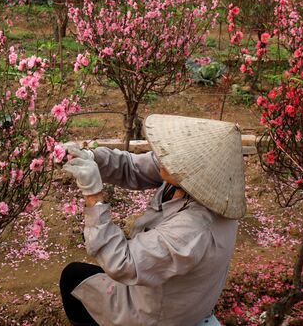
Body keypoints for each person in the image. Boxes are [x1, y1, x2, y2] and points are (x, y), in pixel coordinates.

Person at [60, 114, 246, 326]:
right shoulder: (194, 181)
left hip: (159, 314)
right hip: (177, 291)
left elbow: (123, 264)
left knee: (72, 278)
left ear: (196, 170)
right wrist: (92, 158)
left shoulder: (194, 229)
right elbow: (133, 167)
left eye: (171, 156)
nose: (161, 156)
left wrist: (93, 196)